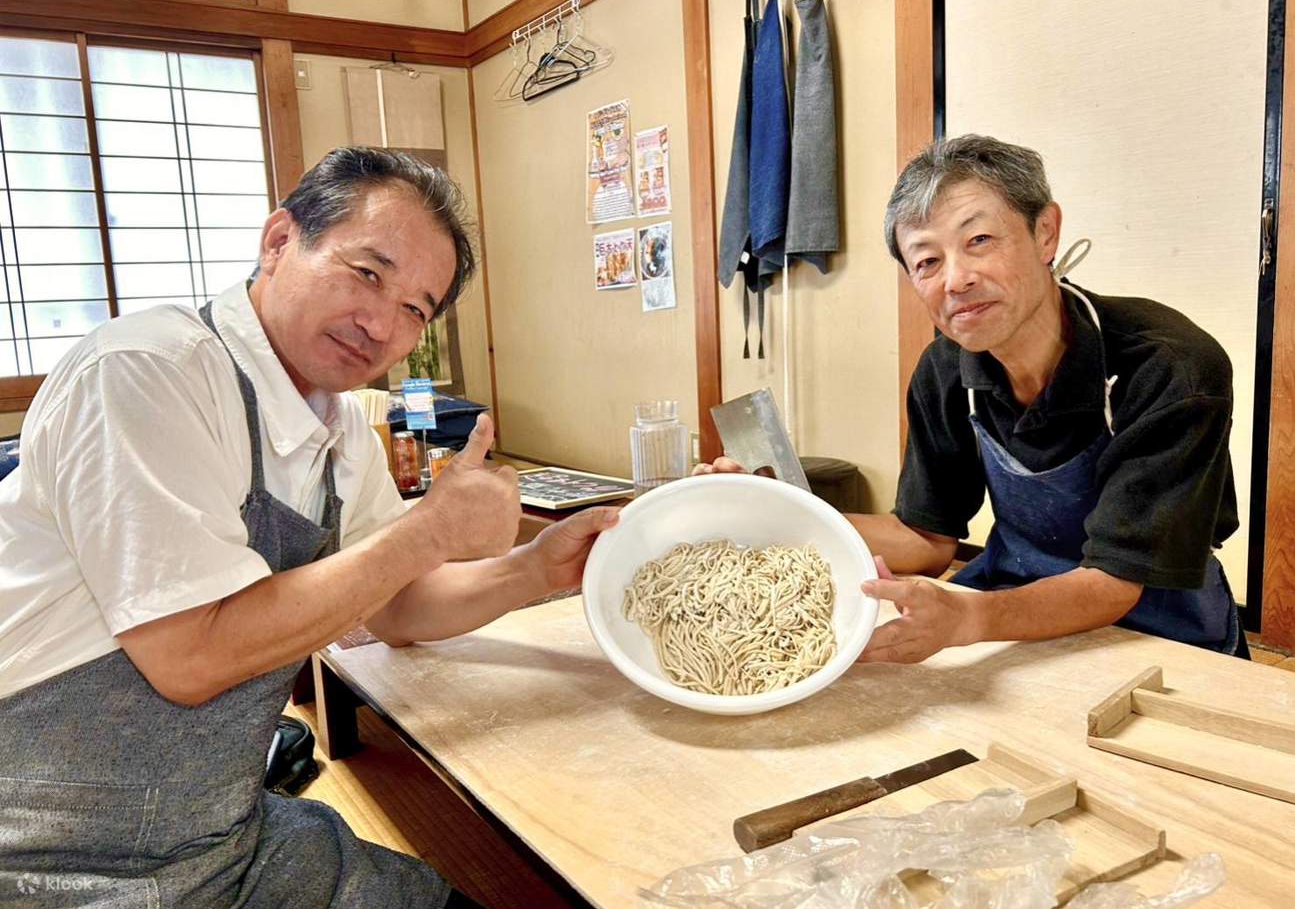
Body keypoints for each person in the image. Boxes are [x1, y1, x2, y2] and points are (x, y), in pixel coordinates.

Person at [0, 147, 618, 907]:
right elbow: (189, 656)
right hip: (46, 858)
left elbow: (396, 603)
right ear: (278, 240)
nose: (380, 323)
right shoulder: (147, 370)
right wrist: (427, 530)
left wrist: (534, 568)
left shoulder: (341, 430)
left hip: (219, 836)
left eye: (414, 309)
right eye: (367, 273)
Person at [701, 134, 1246, 662]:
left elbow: (1114, 582)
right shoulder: (944, 371)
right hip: (1014, 604)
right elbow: (926, 539)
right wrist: (774, 504)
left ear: (1045, 233)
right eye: (927, 262)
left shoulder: (1169, 365)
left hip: (1159, 624)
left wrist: (968, 619)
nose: (956, 280)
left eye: (979, 241)